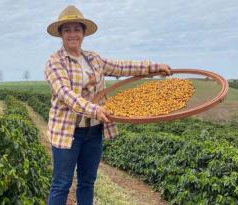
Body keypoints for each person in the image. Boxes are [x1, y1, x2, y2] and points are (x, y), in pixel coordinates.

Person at [45, 5, 171, 205]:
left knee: (87, 182)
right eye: (67, 30)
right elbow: (66, 94)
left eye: (77, 29)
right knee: (61, 184)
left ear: (84, 33)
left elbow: (121, 67)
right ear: (60, 34)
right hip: (68, 132)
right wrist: (95, 109)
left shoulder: (93, 59)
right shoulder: (55, 62)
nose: (72, 34)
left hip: (93, 132)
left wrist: (154, 67)